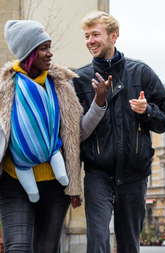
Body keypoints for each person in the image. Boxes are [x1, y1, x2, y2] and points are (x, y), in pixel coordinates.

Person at [72, 11, 165, 253]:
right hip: (97, 173)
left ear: (113, 35)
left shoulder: (141, 73)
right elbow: (72, 134)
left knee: (129, 244)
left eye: (95, 34)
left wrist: (146, 110)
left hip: (134, 174)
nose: (90, 41)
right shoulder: (81, 79)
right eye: (87, 36)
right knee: (97, 242)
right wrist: (73, 184)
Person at [0, 20, 90, 252]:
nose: (50, 54)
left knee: (46, 249)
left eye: (50, 47)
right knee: (18, 248)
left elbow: (74, 135)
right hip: (14, 180)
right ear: (29, 52)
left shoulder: (60, 84)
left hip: (54, 182)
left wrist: (74, 187)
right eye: (43, 48)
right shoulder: (5, 87)